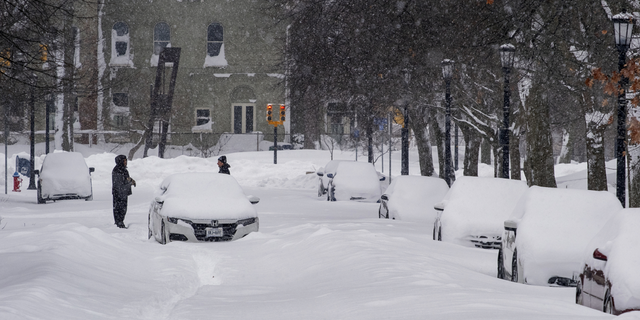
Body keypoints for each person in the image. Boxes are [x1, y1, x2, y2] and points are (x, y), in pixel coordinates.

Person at [112, 155, 135, 228]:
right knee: (119, 209)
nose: (126, 162)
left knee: (123, 209)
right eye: (124, 161)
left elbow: (125, 179)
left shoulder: (123, 170)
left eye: (126, 160)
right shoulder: (117, 170)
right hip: (119, 194)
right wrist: (130, 182)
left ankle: (120, 222)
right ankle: (119, 223)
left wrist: (130, 181)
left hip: (123, 193)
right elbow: (121, 183)